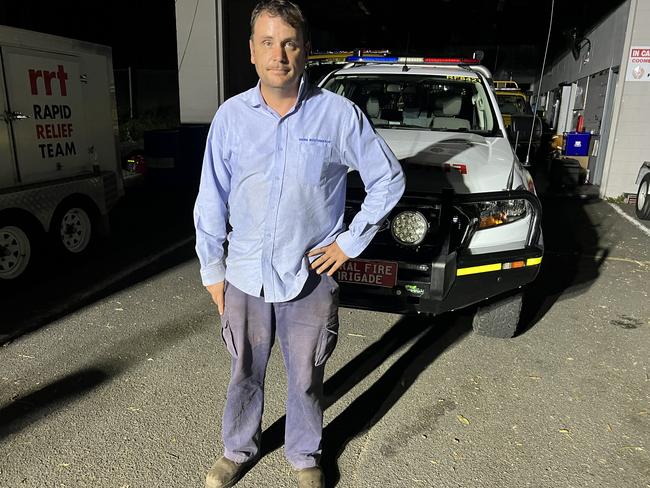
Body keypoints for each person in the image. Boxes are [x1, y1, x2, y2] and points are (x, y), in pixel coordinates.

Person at [193, 1, 405, 487]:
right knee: (244, 369)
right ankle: (237, 449)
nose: (278, 55)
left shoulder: (337, 116)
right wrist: (212, 271)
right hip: (244, 274)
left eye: (289, 43)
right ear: (251, 51)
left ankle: (305, 454)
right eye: (267, 42)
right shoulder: (230, 118)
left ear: (306, 50)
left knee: (307, 375)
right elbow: (211, 200)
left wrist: (350, 243)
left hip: (310, 275)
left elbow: (388, 179)